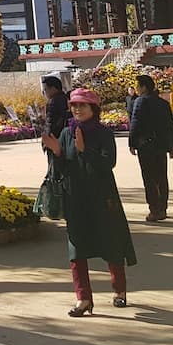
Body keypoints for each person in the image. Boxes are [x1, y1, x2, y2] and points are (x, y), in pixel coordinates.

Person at [41, 88, 137, 316]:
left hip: (103, 199)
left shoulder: (103, 133)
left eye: (82, 105)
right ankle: (83, 299)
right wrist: (57, 153)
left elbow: (108, 163)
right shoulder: (66, 133)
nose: (77, 109)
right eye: (74, 106)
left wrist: (85, 152)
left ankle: (119, 292)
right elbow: (64, 168)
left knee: (111, 244)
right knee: (77, 251)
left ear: (93, 109)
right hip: (76, 198)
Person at [127, 75, 173, 222]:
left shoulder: (140, 102)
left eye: (138, 85)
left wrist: (132, 143)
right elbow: (170, 126)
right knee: (162, 177)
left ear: (143, 87)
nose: (136, 88)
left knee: (149, 178)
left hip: (146, 146)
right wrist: (172, 147)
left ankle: (154, 209)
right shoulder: (163, 103)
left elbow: (135, 123)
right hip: (161, 146)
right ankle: (163, 208)